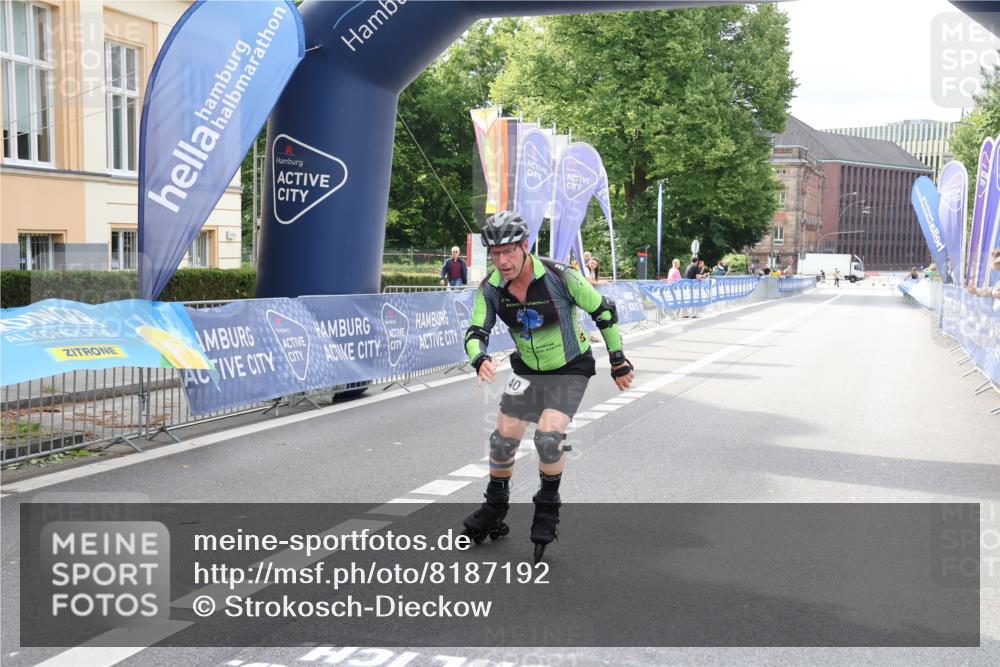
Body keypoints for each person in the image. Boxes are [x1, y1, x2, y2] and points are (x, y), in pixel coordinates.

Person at [463, 212, 634, 563]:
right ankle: (494, 507)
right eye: (495, 254)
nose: (502, 261)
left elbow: (604, 311)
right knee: (502, 441)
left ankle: (547, 507)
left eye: (509, 252)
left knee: (548, 436)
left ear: (526, 246)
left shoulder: (560, 276)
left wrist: (618, 360)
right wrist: (479, 357)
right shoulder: (491, 289)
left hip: (570, 366)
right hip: (527, 370)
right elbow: (475, 331)